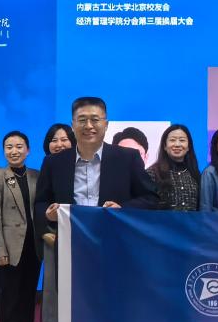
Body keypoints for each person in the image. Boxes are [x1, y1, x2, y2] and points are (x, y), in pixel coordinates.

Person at [33, 96, 159, 237]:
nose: (88, 126)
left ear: (106, 124)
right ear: (73, 125)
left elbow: (150, 198)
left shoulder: (128, 157)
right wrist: (48, 214)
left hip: (116, 238)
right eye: (82, 120)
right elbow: (40, 203)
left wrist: (123, 209)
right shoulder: (53, 162)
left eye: (95, 119)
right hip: (70, 241)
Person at [0, 131, 41, 322]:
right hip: (9, 249)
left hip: (33, 249)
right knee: (9, 302)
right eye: (9, 147)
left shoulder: (37, 175)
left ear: (28, 150)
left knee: (27, 301)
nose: (14, 151)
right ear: (4, 150)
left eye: (19, 146)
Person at [38, 123, 75, 322]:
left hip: (86, 235)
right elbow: (41, 201)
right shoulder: (49, 164)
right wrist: (47, 217)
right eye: (54, 140)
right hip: (57, 235)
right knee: (58, 289)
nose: (59, 144)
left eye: (64, 139)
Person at [149, 124, 201, 211]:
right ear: (165, 146)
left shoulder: (194, 173)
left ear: (188, 147)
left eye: (182, 140)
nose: (177, 144)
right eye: (172, 140)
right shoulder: (152, 173)